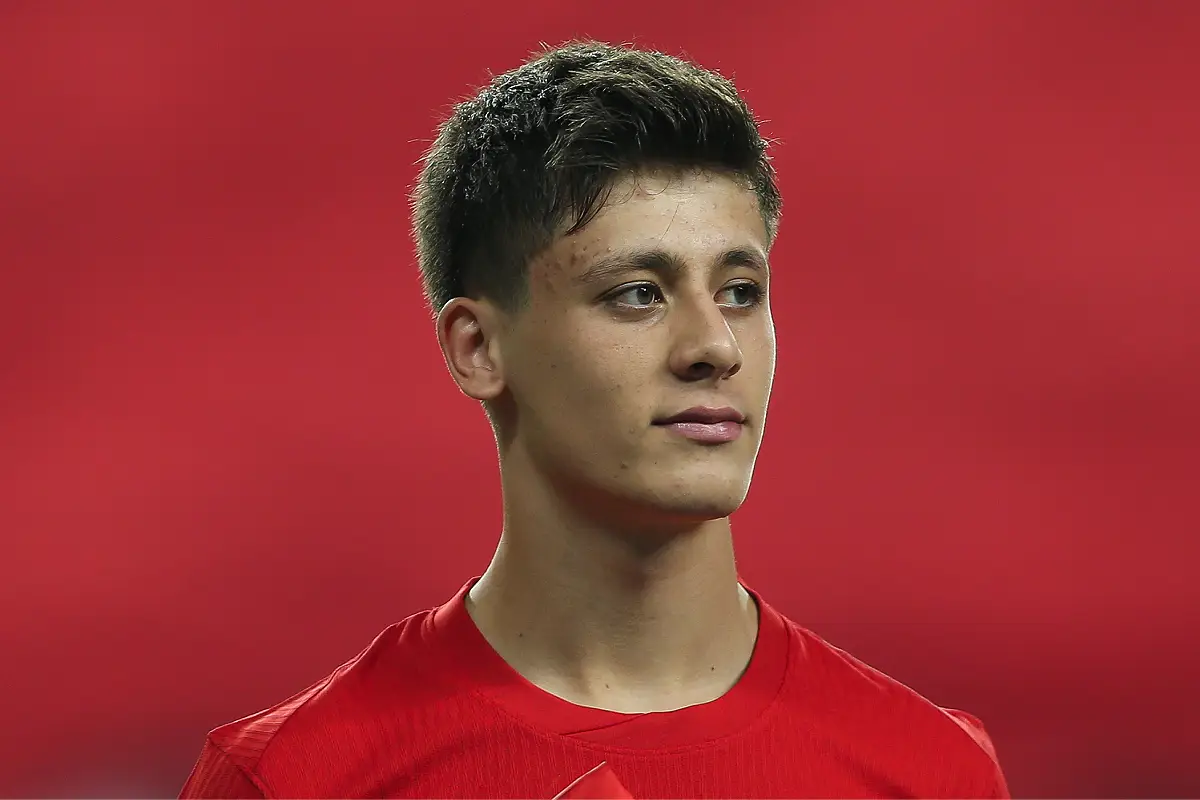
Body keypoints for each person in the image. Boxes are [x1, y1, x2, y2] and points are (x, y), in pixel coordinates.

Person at [180, 41, 1010, 799]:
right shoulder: (292, 780)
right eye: (638, 294)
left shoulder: (931, 773)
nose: (714, 347)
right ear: (478, 348)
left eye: (740, 292)